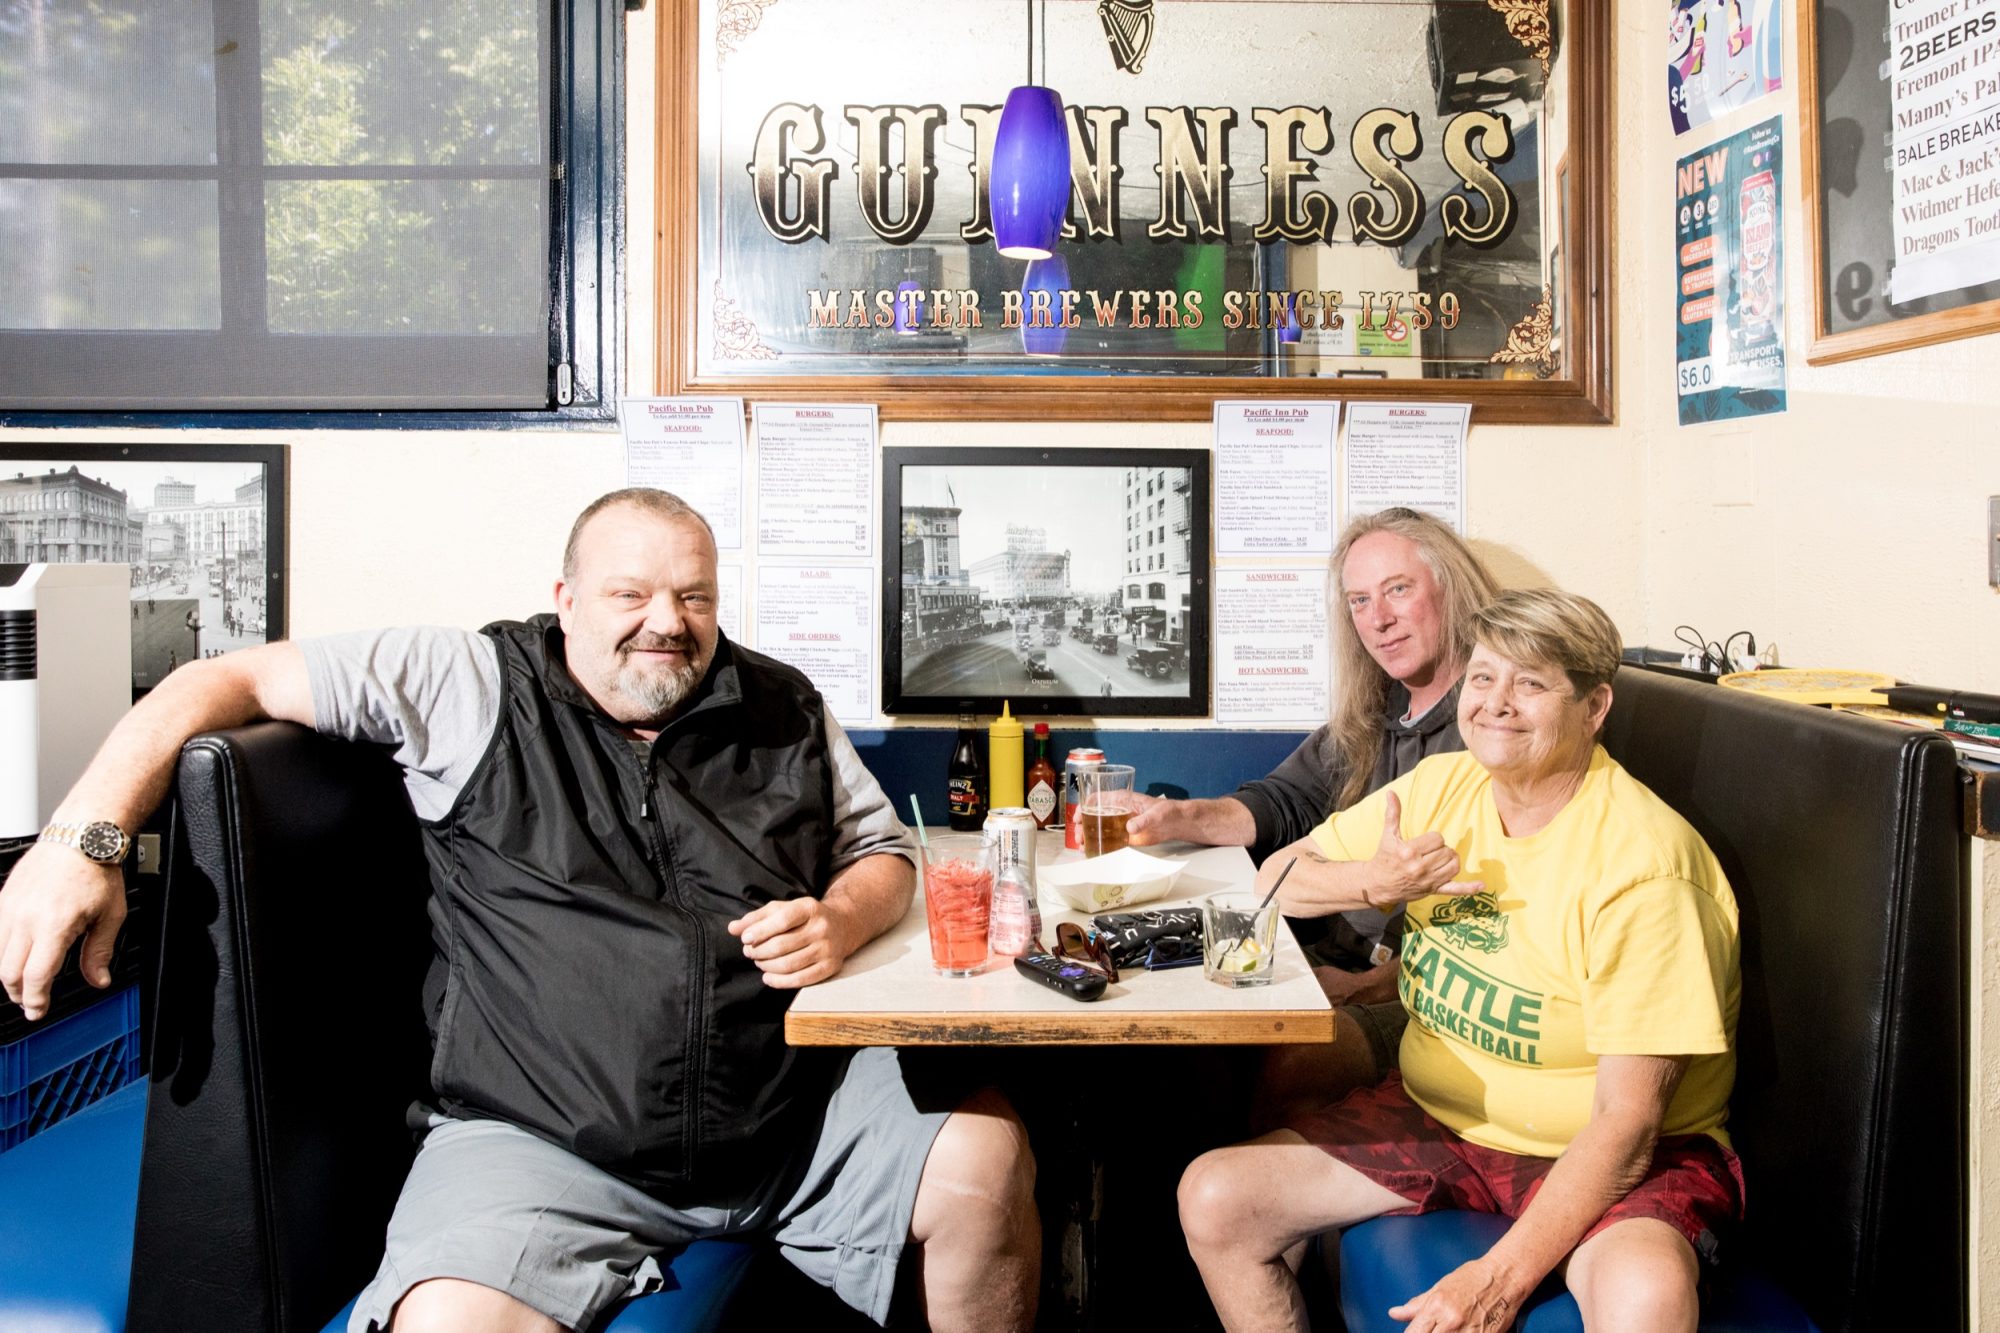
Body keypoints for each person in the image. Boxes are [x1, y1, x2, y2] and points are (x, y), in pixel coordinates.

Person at [0, 488, 1039, 1333]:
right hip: (542, 1140)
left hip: (787, 1115)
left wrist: (841, 919)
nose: (666, 623)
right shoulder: (465, 682)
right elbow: (217, 678)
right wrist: (79, 844)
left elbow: (882, 848)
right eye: (630, 592)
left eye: (694, 596)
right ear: (566, 597)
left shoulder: (782, 704)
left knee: (985, 1165)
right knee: (446, 1322)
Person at [1178, 589, 1742, 1332]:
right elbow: (1274, 876)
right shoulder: (1448, 784)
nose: (1495, 703)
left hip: (1611, 1150)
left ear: (1595, 706)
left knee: (1646, 1291)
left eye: (1531, 683)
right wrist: (1373, 881)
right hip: (1443, 1119)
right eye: (1482, 678)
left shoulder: (1645, 868)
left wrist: (1497, 1276)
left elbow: (1627, 1125)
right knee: (1216, 1196)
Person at [1125, 508, 1499, 1113]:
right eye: (1359, 601)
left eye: (1397, 590)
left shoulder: (1492, 722)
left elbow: (1497, 922)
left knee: (1287, 1056)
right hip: (1330, 952)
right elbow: (1285, 801)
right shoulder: (1376, 713)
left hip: (1418, 992)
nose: (1378, 619)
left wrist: (1367, 987)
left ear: (1450, 589)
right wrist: (1177, 818)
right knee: (1168, 1010)